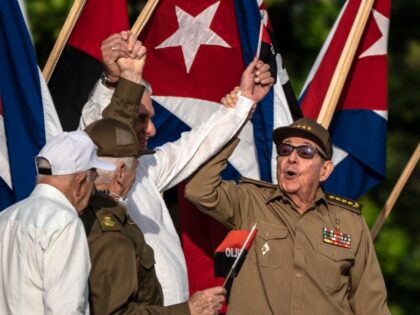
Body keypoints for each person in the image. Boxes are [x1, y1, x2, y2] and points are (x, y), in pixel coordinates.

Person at [79, 31, 275, 306]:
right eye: (142, 118)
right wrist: (115, 81)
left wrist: (244, 101)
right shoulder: (89, 168)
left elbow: (196, 144)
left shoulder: (147, 168)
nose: (152, 129)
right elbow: (96, 134)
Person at [185, 117, 391, 315]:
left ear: (325, 171)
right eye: (285, 150)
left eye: (305, 152)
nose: (291, 158)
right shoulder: (250, 201)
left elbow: (370, 305)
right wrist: (235, 119)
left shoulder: (350, 222)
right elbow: (197, 190)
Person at [80, 117, 225, 314]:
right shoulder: (109, 233)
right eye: (136, 164)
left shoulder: (88, 213)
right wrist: (187, 310)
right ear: (121, 173)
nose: (138, 172)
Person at [0, 131, 115, 314]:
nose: (93, 191)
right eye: (93, 179)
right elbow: (65, 308)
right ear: (80, 182)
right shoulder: (65, 223)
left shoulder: (5, 217)